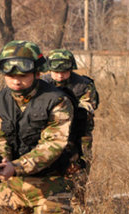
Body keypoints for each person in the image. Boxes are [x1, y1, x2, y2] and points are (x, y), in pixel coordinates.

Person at [0, 40, 74, 214]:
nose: (16, 82)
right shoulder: (1, 99)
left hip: (50, 188)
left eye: (23, 76)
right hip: (13, 186)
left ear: (37, 73)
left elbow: (52, 146)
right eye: (10, 76)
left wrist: (16, 166)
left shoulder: (57, 100)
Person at [42, 49, 99, 206]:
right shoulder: (42, 84)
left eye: (64, 71)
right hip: (49, 135)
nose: (60, 75)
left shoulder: (83, 85)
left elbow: (87, 107)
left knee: (79, 175)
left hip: (79, 136)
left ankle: (78, 209)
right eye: (56, 71)